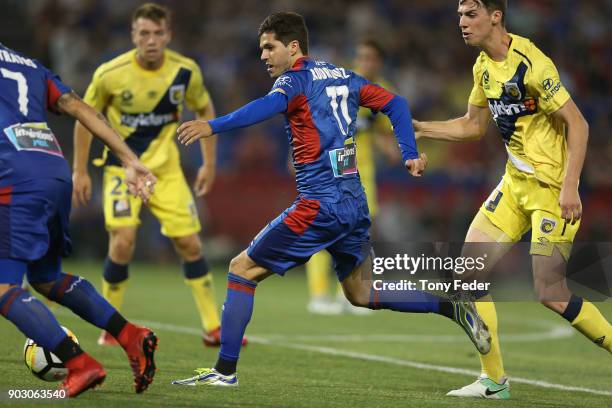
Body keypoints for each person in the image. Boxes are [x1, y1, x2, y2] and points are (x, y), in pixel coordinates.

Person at [170, 11, 491, 387]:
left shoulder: (295, 81)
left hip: (318, 205)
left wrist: (212, 125)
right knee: (360, 292)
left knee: (241, 270)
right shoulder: (345, 76)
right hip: (354, 204)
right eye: (261, 49)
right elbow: (397, 104)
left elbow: (263, 108)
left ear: (293, 47)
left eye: (269, 47)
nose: (263, 56)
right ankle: (450, 306)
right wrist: (408, 152)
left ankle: (224, 372)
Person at [413, 0, 612, 399]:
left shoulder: (533, 62)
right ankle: (494, 381)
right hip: (513, 186)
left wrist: (571, 184)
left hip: (553, 191)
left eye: (470, 15)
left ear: (495, 16)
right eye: (459, 16)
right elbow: (472, 126)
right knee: (467, 274)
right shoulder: (482, 66)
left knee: (550, 292)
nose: (462, 24)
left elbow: (578, 123)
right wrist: (419, 128)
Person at [72, 3, 241, 347]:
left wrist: (208, 163)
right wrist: (80, 170)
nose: (151, 40)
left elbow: (204, 109)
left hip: (166, 172)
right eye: (144, 33)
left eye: (157, 33)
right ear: (133, 35)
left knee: (190, 243)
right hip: (123, 170)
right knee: (122, 243)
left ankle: (212, 326)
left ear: (168, 35)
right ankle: (110, 326)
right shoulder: (110, 74)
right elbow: (84, 118)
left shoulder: (185, 71)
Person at [0, 42, 157, 397]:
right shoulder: (29, 63)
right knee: (46, 277)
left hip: (14, 176)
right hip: (53, 170)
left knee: (4, 288)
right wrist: (129, 159)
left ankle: (80, 364)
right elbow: (78, 106)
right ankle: (131, 335)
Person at [306, 38, 398, 316]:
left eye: (370, 58)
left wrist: (398, 151)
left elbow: (382, 133)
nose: (364, 63)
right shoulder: (341, 83)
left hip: (362, 170)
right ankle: (319, 295)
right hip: (332, 162)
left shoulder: (383, 92)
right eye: (361, 57)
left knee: (359, 232)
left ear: (379, 62)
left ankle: (349, 295)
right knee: (325, 226)